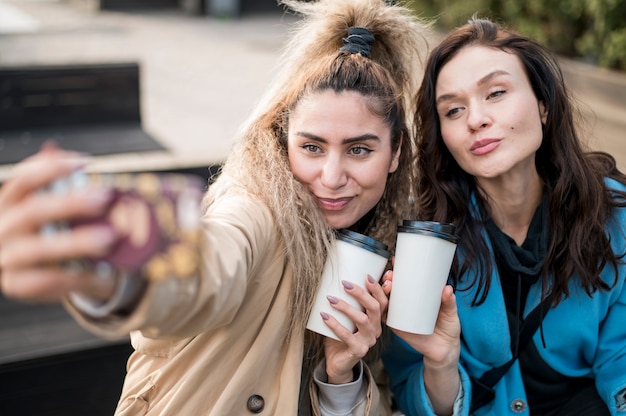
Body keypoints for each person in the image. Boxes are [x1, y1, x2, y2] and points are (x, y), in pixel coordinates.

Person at [0, 0, 432, 415]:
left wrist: (340, 377)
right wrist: (116, 259)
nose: (332, 176)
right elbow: (212, 262)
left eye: (358, 150)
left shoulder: (387, 248)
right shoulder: (257, 208)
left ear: (395, 154)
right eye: (312, 147)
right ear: (284, 141)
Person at [381, 16, 626, 416]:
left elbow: (621, 361)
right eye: (454, 110)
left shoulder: (613, 215)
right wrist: (440, 361)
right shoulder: (424, 242)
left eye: (495, 93)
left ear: (543, 106)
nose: (475, 119)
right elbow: (409, 390)